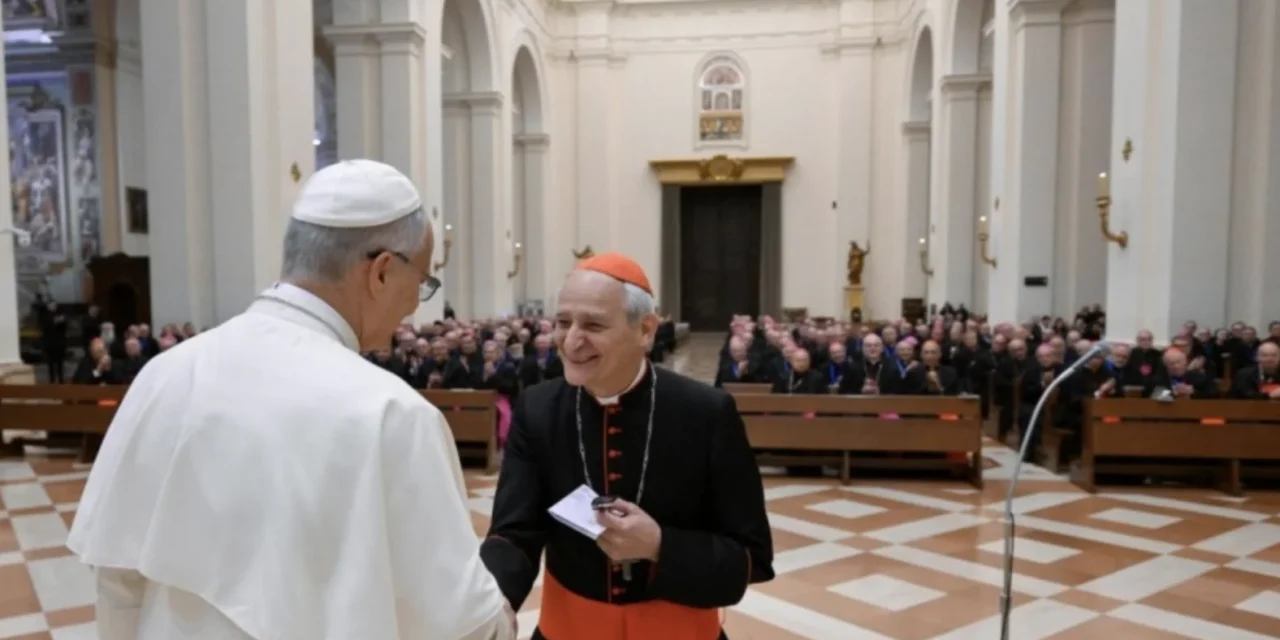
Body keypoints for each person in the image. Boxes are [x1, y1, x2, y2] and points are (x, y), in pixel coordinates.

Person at [67, 160, 517, 640]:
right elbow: (457, 622)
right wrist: (501, 620)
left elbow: (116, 576)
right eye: (422, 282)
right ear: (382, 271)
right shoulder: (390, 412)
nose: (415, 304)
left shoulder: (166, 373)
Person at [480, 252, 774, 640]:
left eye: (594, 325)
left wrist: (660, 546)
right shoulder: (538, 410)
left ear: (646, 331)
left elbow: (752, 558)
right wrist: (493, 601)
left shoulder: (707, 413)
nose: (571, 340)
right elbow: (515, 533)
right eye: (563, 322)